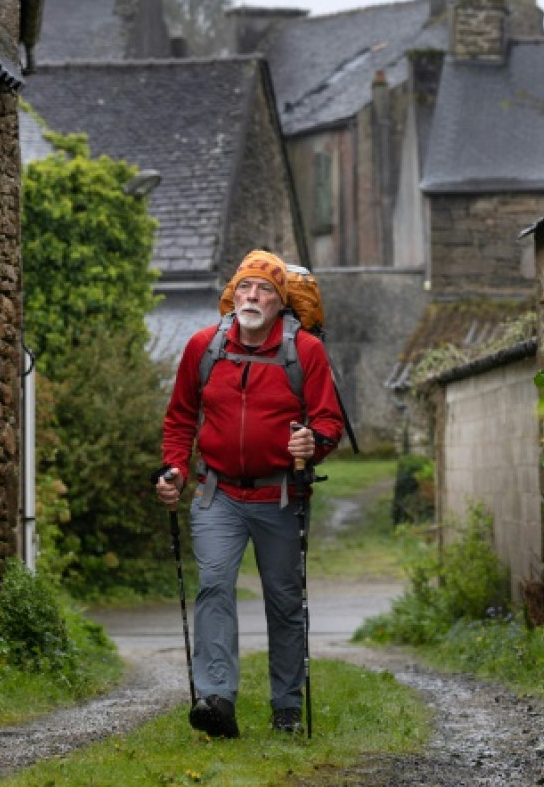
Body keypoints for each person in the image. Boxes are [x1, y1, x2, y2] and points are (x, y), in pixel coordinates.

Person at [154, 249, 343, 738]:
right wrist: (174, 469)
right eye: (244, 287)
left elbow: (328, 422)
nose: (252, 296)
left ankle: (286, 708)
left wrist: (314, 443)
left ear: (281, 303)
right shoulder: (203, 347)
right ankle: (217, 701)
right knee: (214, 588)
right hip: (216, 495)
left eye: (264, 290)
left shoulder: (305, 352)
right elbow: (179, 418)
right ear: (231, 295)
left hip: (280, 497)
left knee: (283, 601)